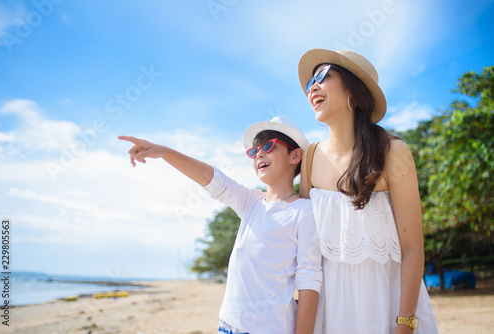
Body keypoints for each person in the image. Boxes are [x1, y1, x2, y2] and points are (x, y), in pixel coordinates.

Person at [119, 116, 322, 334]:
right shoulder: (252, 202)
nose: (259, 154)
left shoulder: (304, 212)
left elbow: (308, 284)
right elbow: (212, 178)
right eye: (254, 151)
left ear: (295, 155)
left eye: (269, 146)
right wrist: (163, 152)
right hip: (227, 326)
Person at [297, 49, 438, 333]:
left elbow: (412, 249)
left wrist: (405, 323)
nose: (312, 86)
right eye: (310, 81)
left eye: (323, 76)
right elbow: (304, 249)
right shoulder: (309, 156)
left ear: (355, 89)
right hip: (327, 308)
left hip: (387, 301)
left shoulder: (393, 151)